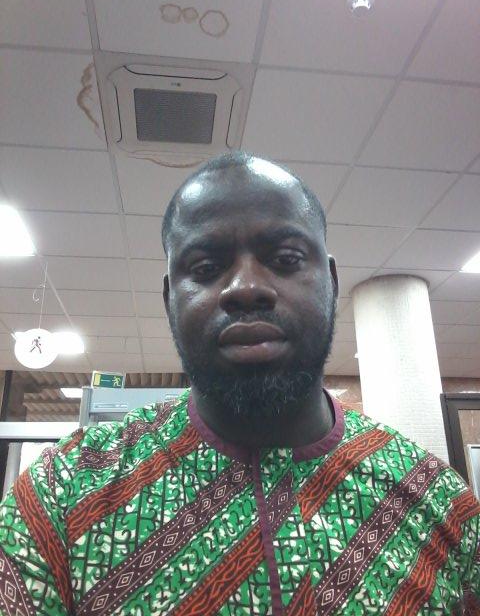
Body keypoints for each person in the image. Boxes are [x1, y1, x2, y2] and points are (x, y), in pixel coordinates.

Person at [0, 152, 478, 616]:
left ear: (332, 283)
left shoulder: (439, 501)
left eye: (286, 258)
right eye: (206, 269)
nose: (246, 287)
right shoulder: (63, 494)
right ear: (170, 300)